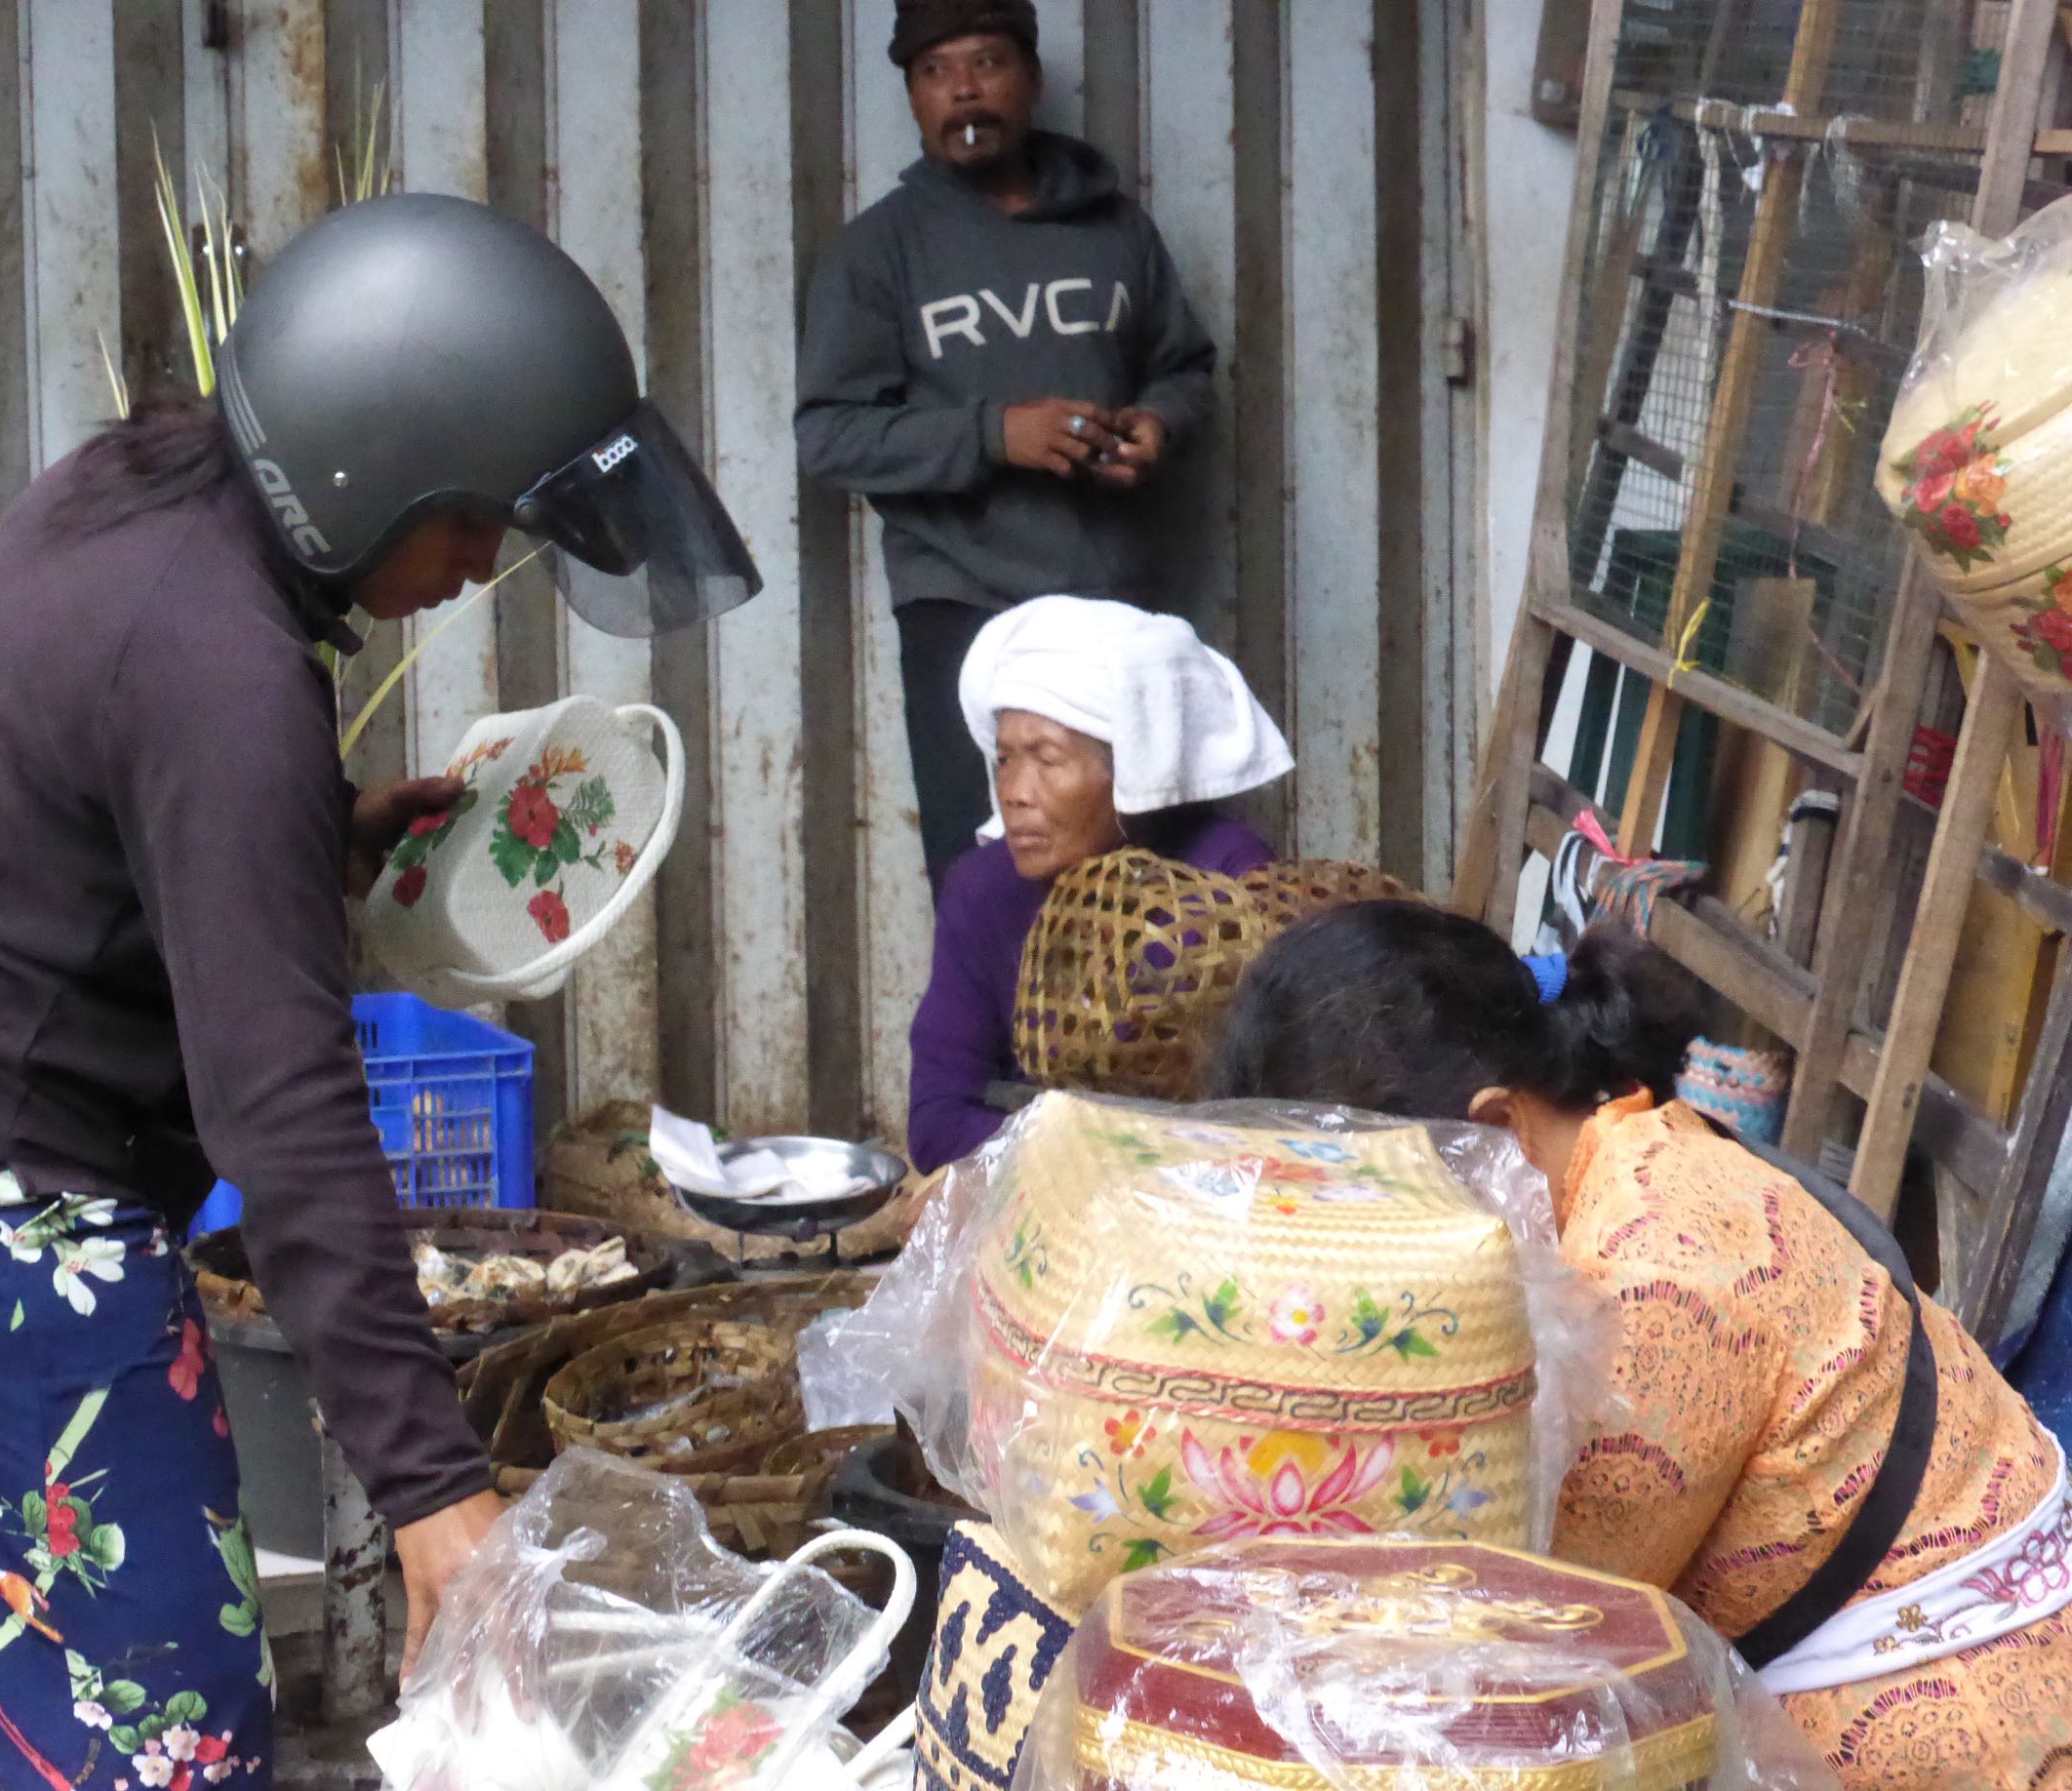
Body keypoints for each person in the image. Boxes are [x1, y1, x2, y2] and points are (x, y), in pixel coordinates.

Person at [0, 195, 759, 1791]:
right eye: (473, 522)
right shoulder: (223, 670)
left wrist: (322, 830)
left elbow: (87, 806)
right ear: (370, 463)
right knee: (159, 1726)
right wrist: (436, 1489)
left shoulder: (141, 490)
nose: (479, 568)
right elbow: (284, 1111)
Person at [1204, 902, 2072, 1790]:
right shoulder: (1627, 1145)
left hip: (1963, 1741)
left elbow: (1529, 1651)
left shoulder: (1655, 1285)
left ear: (1495, 1130)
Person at [795, 0, 1216, 888]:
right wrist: (997, 435)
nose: (963, 91)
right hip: (966, 608)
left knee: (1138, 875)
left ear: (1030, 77)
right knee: (987, 879)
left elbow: (1182, 368)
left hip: (1113, 606)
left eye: (985, 63)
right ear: (913, 96)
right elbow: (831, 435)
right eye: (935, 72)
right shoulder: (878, 250)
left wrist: (1159, 425)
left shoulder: (1116, 230)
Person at [907, 597, 1289, 1173]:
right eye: (1005, 759)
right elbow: (937, 1122)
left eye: (1046, 759)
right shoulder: (983, 890)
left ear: (1131, 767)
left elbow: (1262, 1116)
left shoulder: (1228, 881)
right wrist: (1085, 1157)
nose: (1015, 792)